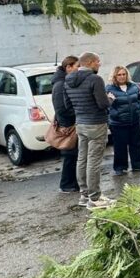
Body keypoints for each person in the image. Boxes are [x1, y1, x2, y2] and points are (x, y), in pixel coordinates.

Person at [65, 52, 114, 209]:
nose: (99, 64)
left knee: (82, 159)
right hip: (96, 124)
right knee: (93, 161)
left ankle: (84, 195)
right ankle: (95, 198)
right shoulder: (95, 79)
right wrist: (111, 99)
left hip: (80, 123)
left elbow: (67, 106)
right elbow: (103, 104)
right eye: (98, 61)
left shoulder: (68, 79)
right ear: (91, 62)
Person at [106, 65, 140, 175]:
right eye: (119, 74)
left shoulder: (134, 86)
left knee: (137, 144)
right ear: (115, 76)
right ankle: (120, 168)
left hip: (135, 120)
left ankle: (138, 165)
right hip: (118, 123)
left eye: (124, 74)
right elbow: (107, 106)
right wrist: (115, 115)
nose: (122, 76)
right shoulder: (109, 89)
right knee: (120, 147)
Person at [51, 55, 80, 193]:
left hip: (70, 124)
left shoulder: (64, 82)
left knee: (73, 156)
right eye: (77, 66)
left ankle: (72, 183)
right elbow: (61, 108)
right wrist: (66, 125)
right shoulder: (60, 85)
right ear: (68, 67)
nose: (79, 69)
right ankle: (67, 185)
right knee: (70, 156)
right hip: (68, 126)